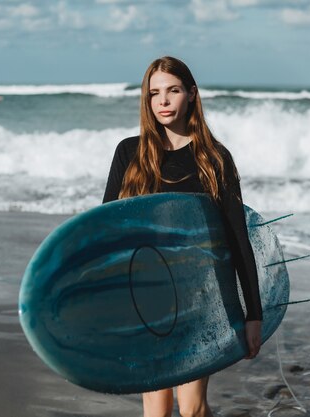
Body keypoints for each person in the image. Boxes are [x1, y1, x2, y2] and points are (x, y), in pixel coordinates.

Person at [102, 56, 263, 417]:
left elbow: (238, 240)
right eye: (154, 93)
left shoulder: (214, 158)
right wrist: (104, 303)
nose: (162, 101)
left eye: (172, 91)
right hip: (145, 297)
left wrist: (254, 313)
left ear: (191, 93)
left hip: (198, 297)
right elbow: (107, 233)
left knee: (192, 408)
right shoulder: (129, 152)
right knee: (156, 408)